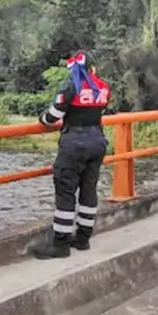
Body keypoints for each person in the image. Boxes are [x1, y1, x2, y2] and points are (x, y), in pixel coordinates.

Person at [32, 51, 111, 259]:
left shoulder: (71, 86)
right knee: (89, 189)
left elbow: (51, 117)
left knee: (65, 192)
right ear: (92, 68)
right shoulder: (103, 87)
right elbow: (101, 112)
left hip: (74, 145)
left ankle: (60, 244)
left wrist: (42, 119)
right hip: (97, 143)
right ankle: (83, 239)